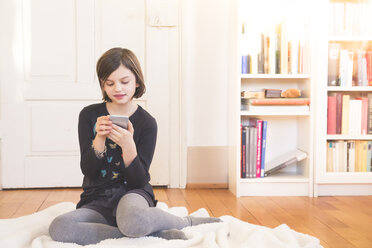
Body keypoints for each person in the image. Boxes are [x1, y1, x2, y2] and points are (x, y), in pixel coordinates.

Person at [48, 47, 221, 245]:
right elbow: (88, 171)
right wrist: (99, 140)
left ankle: (184, 221)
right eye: (109, 83)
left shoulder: (147, 123)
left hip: (132, 195)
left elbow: (139, 180)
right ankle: (152, 233)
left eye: (125, 81)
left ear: (137, 81)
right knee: (60, 227)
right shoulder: (88, 115)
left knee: (132, 219)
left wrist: (128, 146)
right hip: (97, 199)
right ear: (103, 85)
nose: (118, 89)